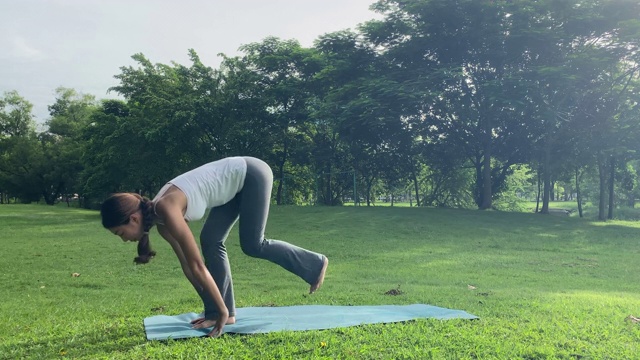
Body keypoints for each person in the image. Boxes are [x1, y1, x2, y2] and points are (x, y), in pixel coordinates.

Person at [100, 156, 328, 337]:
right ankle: (227, 313)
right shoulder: (162, 224)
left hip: (251, 174)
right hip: (232, 189)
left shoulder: (167, 208)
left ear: (133, 219)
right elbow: (188, 268)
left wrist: (220, 310)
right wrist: (214, 310)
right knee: (211, 240)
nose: (124, 239)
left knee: (252, 244)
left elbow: (198, 265)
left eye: (120, 233)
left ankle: (315, 264)